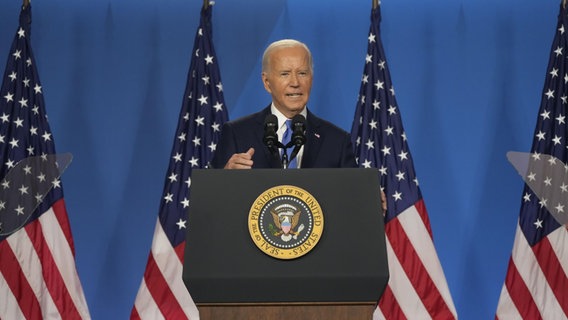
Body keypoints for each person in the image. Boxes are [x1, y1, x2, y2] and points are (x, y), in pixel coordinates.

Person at [210, 39, 357, 169]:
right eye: (285, 74)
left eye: (302, 73)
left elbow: (353, 195)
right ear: (267, 82)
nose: (295, 83)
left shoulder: (337, 141)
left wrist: (375, 200)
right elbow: (210, 195)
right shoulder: (237, 133)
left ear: (311, 79)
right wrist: (226, 177)